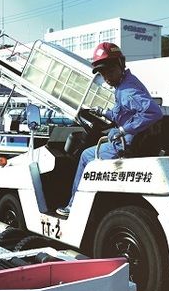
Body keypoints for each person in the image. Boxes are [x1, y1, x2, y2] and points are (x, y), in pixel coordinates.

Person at [57, 42, 162, 217]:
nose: (106, 77)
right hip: (131, 140)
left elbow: (153, 111)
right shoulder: (125, 84)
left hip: (125, 144)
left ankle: (73, 206)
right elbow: (122, 113)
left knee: (85, 156)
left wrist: (123, 129)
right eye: (103, 73)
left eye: (110, 71)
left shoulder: (128, 91)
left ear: (121, 65)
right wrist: (103, 112)